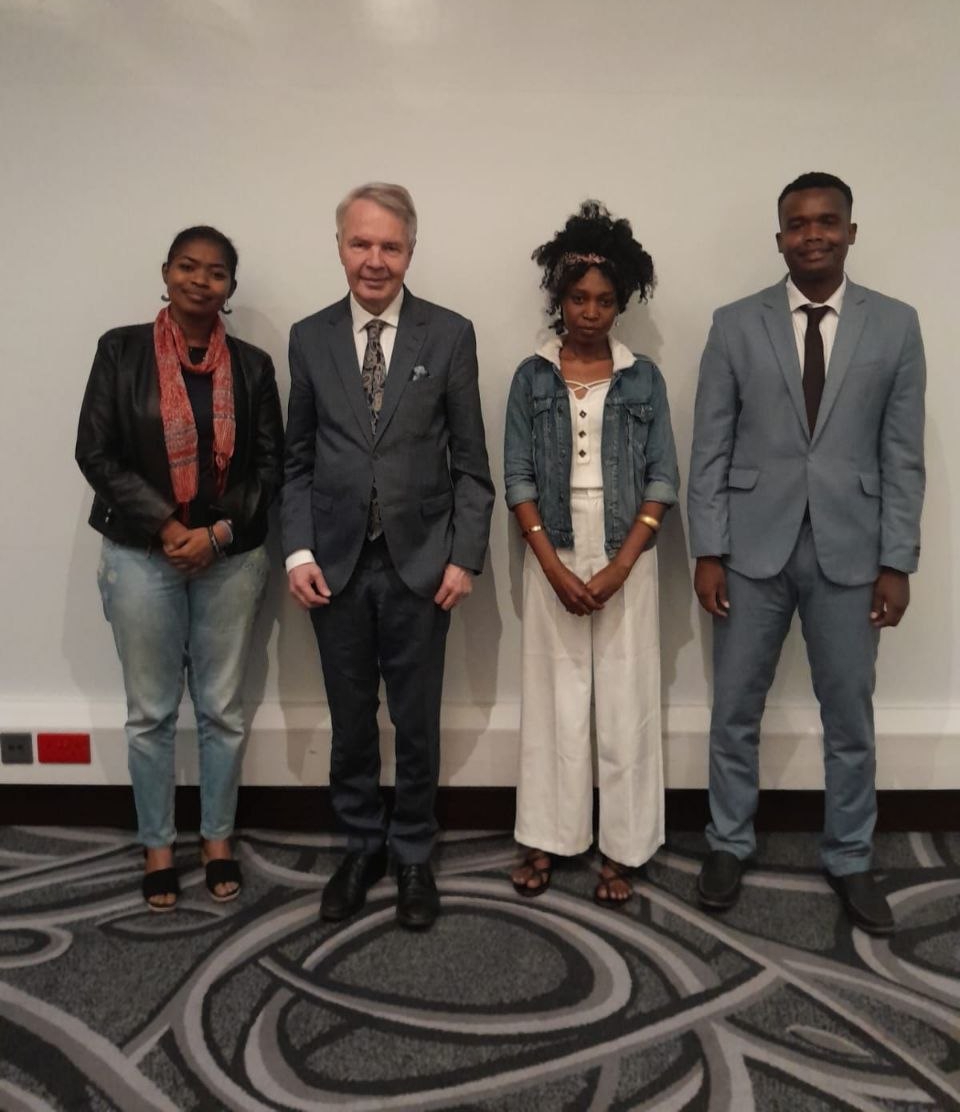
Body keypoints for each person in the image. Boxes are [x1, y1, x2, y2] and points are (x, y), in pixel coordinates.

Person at [688, 172, 926, 934]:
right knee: (735, 708)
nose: (812, 234)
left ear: (851, 231)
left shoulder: (896, 325)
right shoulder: (735, 324)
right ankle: (728, 841)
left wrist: (898, 561)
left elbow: (902, 455)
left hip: (852, 552)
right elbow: (709, 446)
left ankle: (851, 856)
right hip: (750, 548)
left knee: (849, 714)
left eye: (827, 221)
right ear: (779, 237)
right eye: (798, 224)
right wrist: (708, 548)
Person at [282, 183, 494, 931]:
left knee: (415, 720)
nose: (375, 260)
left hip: (421, 565)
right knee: (350, 721)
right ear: (340, 246)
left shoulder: (449, 335)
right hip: (334, 565)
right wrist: (297, 549)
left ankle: (411, 852)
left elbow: (472, 465)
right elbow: (297, 460)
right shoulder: (309, 337)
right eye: (361, 243)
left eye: (390, 246)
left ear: (410, 250)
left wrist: (464, 556)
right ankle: (360, 846)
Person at [76, 226, 284, 912]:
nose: (200, 280)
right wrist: (169, 527)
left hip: (229, 559)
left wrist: (217, 535)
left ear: (230, 287)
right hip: (142, 554)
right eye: (188, 267)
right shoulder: (121, 350)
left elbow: (270, 465)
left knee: (221, 709)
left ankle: (218, 837)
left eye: (216, 272)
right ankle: (158, 845)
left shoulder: (253, 367)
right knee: (150, 714)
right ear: (166, 272)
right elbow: (96, 452)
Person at [504, 201, 680, 907]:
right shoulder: (531, 376)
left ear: (622, 302)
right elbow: (517, 475)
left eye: (605, 300)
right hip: (550, 545)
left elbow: (662, 477)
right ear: (559, 296)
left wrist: (620, 565)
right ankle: (546, 838)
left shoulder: (644, 378)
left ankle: (624, 848)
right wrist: (551, 565)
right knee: (555, 700)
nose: (591, 311)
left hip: (627, 548)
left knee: (627, 700)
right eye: (579, 297)